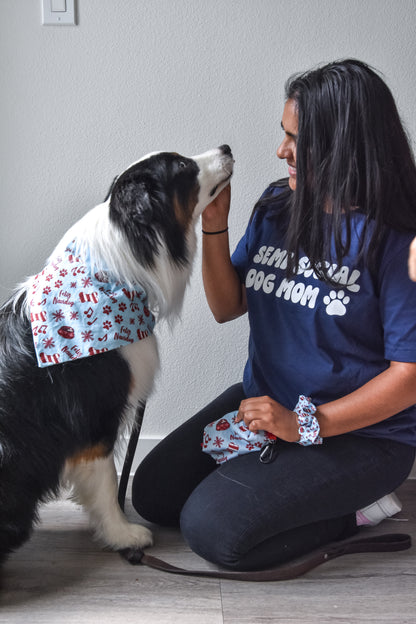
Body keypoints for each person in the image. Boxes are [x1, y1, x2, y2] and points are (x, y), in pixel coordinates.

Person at [132, 59, 416, 571]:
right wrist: (213, 227)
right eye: (284, 134)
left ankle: (359, 510)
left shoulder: (398, 240)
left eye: (298, 140)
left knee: (214, 532)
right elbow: (228, 306)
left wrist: (307, 423)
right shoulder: (279, 203)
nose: (282, 151)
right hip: (267, 401)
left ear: (347, 147)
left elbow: (409, 377)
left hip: (362, 435)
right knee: (154, 495)